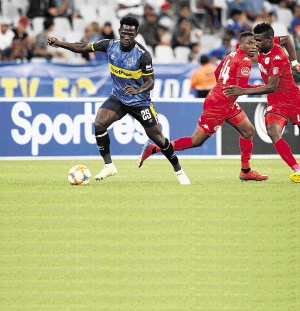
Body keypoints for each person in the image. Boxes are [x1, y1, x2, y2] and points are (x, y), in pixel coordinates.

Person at [47, 16, 190, 185]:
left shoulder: (143, 55)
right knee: (99, 123)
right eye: (124, 32)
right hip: (119, 98)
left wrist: (137, 90)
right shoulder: (110, 45)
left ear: (136, 34)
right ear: (120, 31)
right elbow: (83, 47)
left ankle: (179, 171)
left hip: (140, 102)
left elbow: (150, 82)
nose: (127, 36)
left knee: (158, 137)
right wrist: (60, 44)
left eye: (131, 33)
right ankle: (109, 166)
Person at [137, 31, 269, 182]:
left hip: (225, 101)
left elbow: (218, 72)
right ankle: (154, 148)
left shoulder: (232, 54)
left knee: (248, 130)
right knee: (196, 141)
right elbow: (242, 87)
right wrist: (266, 87)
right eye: (249, 43)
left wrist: (223, 87)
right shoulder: (245, 60)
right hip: (219, 105)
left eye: (255, 43)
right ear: (241, 44)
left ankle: (245, 171)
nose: (253, 47)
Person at [224, 22, 300, 183]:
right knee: (273, 131)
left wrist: (243, 91)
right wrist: (295, 63)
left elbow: (272, 87)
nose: (256, 44)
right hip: (276, 103)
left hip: (293, 100)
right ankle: (297, 169)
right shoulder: (269, 42)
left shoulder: (277, 57)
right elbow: (287, 39)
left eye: (258, 40)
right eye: (255, 40)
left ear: (270, 40)